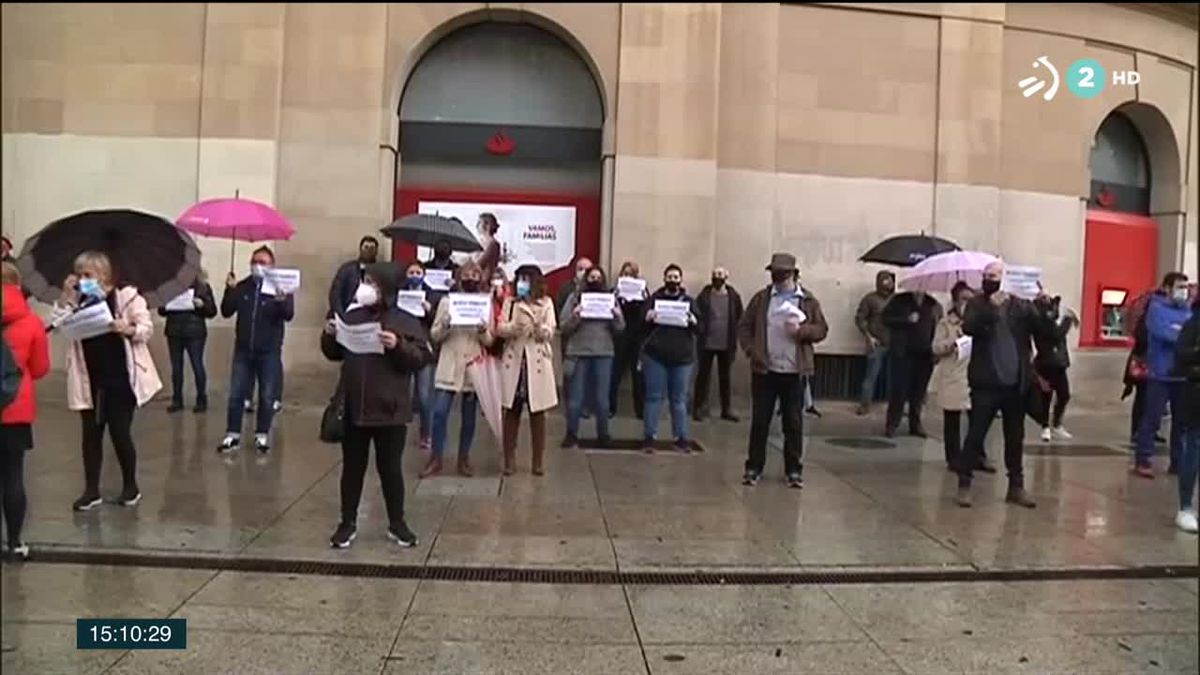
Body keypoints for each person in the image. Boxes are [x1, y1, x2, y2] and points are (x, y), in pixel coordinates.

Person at [321, 263, 431, 549]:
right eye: (365, 281)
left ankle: (397, 523)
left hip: (389, 408)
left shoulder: (404, 320)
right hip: (355, 405)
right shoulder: (352, 314)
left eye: (373, 282)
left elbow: (420, 358)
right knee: (352, 468)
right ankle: (347, 523)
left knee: (390, 469)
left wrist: (398, 345)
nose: (366, 287)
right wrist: (330, 334)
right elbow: (334, 354)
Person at [60, 251, 162, 511]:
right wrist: (66, 297)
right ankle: (91, 490)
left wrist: (126, 328)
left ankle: (131, 486)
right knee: (90, 435)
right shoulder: (77, 300)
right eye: (79, 274)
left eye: (88, 275)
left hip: (120, 377)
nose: (83, 280)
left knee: (120, 433)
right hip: (88, 377)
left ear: (103, 276)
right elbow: (58, 324)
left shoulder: (126, 298)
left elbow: (146, 328)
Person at [954, 261, 1049, 509]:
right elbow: (969, 327)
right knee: (976, 434)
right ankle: (964, 484)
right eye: (986, 275)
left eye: (993, 275)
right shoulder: (977, 303)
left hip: (1015, 383)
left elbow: (1044, 332)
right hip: (987, 383)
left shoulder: (1020, 306)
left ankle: (1016, 486)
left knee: (1015, 437)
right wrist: (991, 310)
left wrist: (1044, 305)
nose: (989, 279)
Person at [738, 254, 828, 488]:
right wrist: (751, 350)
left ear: (794, 274)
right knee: (760, 421)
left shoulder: (808, 300)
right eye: (774, 274)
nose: (778, 278)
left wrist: (802, 331)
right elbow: (744, 326)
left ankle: (793, 470)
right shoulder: (762, 299)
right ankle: (753, 467)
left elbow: (821, 329)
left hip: (794, 371)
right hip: (765, 370)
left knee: (793, 423)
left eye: (783, 274)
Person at [217, 246, 294, 454]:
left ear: (271, 266)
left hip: (268, 351)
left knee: (267, 395)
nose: (258, 266)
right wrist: (229, 290)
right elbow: (226, 311)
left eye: (263, 262)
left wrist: (282, 301)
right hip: (243, 349)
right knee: (236, 394)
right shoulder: (243, 287)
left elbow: (288, 314)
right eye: (255, 262)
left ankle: (262, 435)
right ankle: (232, 434)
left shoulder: (280, 289)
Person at [423, 261, 493, 477]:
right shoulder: (446, 302)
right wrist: (446, 323)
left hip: (472, 366)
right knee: (440, 413)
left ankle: (464, 458)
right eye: (467, 274)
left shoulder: (485, 304)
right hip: (449, 364)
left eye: (475, 274)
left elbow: (490, 340)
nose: (471, 277)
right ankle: (436, 458)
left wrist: (483, 330)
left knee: (469, 418)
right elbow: (434, 335)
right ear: (460, 277)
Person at [2, 270, 50, 559]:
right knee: (12, 476)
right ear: (17, 286)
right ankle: (15, 543)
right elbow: (41, 368)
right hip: (15, 409)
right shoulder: (31, 322)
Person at [497, 265, 558, 476]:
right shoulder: (511, 302)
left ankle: (538, 460)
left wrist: (542, 330)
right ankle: (509, 459)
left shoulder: (547, 302)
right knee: (512, 411)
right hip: (515, 359)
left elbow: (552, 329)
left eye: (526, 279)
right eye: (519, 279)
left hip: (537, 361)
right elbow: (499, 327)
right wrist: (513, 328)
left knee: (538, 413)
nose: (522, 283)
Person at [932, 282, 996, 473]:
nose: (967, 303)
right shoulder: (946, 323)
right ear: (955, 300)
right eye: (963, 299)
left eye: (970, 299)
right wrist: (953, 342)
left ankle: (978, 455)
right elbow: (935, 347)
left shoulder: (980, 320)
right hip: (953, 374)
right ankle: (953, 458)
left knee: (978, 419)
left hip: (975, 374)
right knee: (952, 419)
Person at [1134, 272, 1192, 478]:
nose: (1183, 291)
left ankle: (1178, 462)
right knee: (1152, 418)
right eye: (1179, 287)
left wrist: (1182, 334)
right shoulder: (1156, 309)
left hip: (1183, 375)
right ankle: (1143, 459)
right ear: (1167, 288)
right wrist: (1183, 335)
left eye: (1186, 287)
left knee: (1181, 421)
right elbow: (1165, 334)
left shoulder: (1188, 311)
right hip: (1160, 373)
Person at [560, 265, 624, 448]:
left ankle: (603, 433)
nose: (595, 280)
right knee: (575, 399)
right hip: (578, 352)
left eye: (598, 277)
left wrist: (617, 317)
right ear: (585, 279)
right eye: (591, 277)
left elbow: (620, 329)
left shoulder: (611, 300)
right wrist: (575, 316)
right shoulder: (574, 298)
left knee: (602, 400)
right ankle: (571, 433)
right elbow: (564, 327)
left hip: (603, 352)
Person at [642, 264, 700, 453]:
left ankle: (681, 438)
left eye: (676, 277)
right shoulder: (654, 299)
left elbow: (701, 329)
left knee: (679, 400)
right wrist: (647, 317)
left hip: (682, 358)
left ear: (681, 280)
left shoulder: (689, 302)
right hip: (655, 356)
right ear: (664, 278)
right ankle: (649, 437)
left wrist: (694, 321)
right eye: (670, 276)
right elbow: (641, 327)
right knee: (653, 398)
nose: (673, 280)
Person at [882, 285, 943, 437]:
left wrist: (936, 351)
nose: (919, 289)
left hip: (924, 355)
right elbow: (885, 318)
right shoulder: (899, 300)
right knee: (899, 390)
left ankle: (915, 424)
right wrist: (905, 320)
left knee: (919, 392)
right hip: (903, 353)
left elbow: (939, 326)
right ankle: (892, 424)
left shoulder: (933, 304)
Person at [158, 272, 217, 413]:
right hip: (174, 331)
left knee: (197, 365)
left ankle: (201, 399)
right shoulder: (169, 288)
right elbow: (161, 310)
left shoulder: (202, 287)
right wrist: (165, 305)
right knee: (176, 368)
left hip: (194, 332)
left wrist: (202, 305)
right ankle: (177, 400)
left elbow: (212, 311)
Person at [692, 267, 744, 422]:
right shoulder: (704, 295)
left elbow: (739, 314)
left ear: (726, 277)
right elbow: (697, 313)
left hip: (726, 342)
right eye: (715, 275)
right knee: (703, 376)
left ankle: (726, 409)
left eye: (720, 275)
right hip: (707, 342)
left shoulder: (733, 296)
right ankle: (698, 408)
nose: (717, 278)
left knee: (725, 377)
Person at [1031, 293, 1079, 442]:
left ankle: (1056, 424)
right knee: (1047, 395)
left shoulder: (1050, 319)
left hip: (1058, 364)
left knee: (1064, 394)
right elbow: (1056, 334)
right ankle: (1046, 427)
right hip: (1046, 363)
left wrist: (1057, 305)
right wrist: (1068, 319)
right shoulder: (1041, 320)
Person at [1169, 300, 1200, 533]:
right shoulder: (1194, 322)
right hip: (1196, 391)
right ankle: (1185, 507)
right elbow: (1181, 354)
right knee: (1194, 447)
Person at [401, 261, 437, 452]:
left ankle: (426, 433)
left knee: (424, 396)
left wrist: (429, 310)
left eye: (418, 272)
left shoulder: (432, 294)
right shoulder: (399, 293)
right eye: (411, 271)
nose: (414, 275)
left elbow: (438, 322)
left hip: (424, 348)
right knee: (403, 393)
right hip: (403, 346)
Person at [854, 270, 895, 415]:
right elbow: (860, 318)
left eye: (890, 280)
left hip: (895, 343)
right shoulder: (870, 299)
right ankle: (865, 405)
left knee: (896, 377)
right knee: (871, 376)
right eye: (885, 280)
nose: (888, 283)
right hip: (876, 343)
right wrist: (868, 336)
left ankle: (895, 406)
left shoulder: (896, 300)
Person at [610, 261, 647, 419]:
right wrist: (616, 296)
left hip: (637, 337)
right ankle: (611, 408)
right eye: (625, 274)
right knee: (615, 373)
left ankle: (640, 410)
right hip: (620, 337)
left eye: (631, 274)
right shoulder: (615, 292)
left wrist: (644, 297)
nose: (627, 277)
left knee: (638, 376)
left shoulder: (643, 292)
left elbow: (647, 312)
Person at [328, 236, 380, 318]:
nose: (369, 251)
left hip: (371, 314)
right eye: (366, 247)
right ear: (360, 249)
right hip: (348, 309)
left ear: (376, 251)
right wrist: (341, 315)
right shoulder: (347, 269)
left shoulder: (381, 271)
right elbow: (335, 294)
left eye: (372, 248)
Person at [475, 213, 504, 281]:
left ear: (487, 226)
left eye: (479, 223)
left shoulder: (493, 244)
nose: (477, 225)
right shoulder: (484, 242)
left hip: (484, 282)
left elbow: (480, 263)